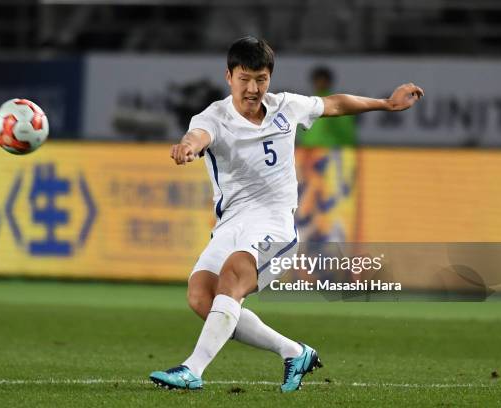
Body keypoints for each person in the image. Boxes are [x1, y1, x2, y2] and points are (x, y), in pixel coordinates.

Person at [149, 36, 423, 393]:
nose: (253, 88)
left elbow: (334, 104)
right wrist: (187, 146)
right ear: (229, 76)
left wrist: (386, 103)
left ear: (270, 78)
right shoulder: (213, 116)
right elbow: (197, 135)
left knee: (232, 276)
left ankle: (192, 369)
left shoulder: (286, 107)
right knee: (201, 296)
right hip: (231, 223)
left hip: (274, 224)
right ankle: (295, 352)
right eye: (244, 78)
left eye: (261, 79)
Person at [297, 66, 357, 147]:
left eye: (322, 81)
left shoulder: (336, 103)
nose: (320, 84)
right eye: (318, 81)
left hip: (330, 149)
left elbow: (346, 129)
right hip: (310, 149)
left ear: (328, 82)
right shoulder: (308, 102)